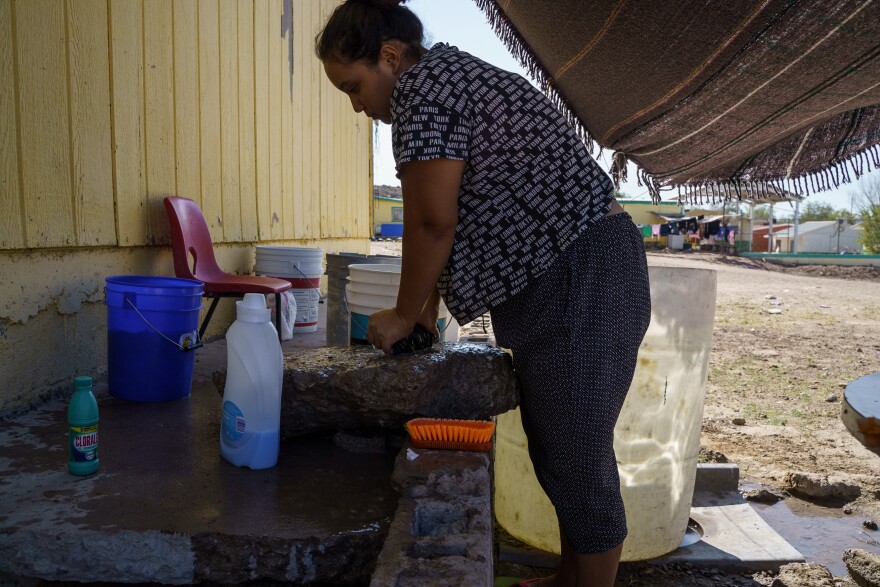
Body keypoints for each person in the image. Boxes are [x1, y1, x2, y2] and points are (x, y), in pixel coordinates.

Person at [316, 2, 651, 585]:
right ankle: (571, 578)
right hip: (577, 270)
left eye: (354, 85)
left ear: (390, 58)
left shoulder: (424, 93)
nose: (356, 105)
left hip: (582, 272)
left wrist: (399, 315)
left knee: (578, 459)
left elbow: (430, 224)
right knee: (559, 448)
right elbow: (452, 223)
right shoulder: (450, 78)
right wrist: (421, 312)